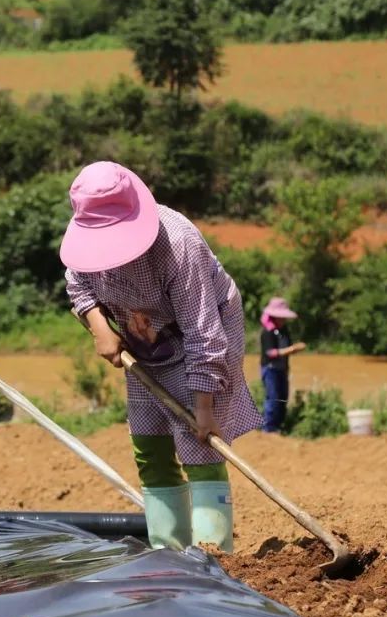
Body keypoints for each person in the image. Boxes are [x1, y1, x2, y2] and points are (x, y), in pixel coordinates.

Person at [62, 161, 260, 552]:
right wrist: (101, 329)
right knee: (149, 442)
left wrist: (204, 408)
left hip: (197, 339)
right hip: (143, 345)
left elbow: (204, 333)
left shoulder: (177, 245)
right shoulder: (85, 243)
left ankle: (211, 554)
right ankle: (167, 550)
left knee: (198, 441)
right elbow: (77, 283)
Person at [259, 297, 307, 433]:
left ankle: (278, 427)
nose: (284, 320)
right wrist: (293, 349)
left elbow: (287, 348)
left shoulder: (284, 330)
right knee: (273, 398)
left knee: (282, 398)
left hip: (282, 368)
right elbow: (270, 353)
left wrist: (293, 350)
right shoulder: (267, 332)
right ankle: (268, 429)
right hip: (270, 369)